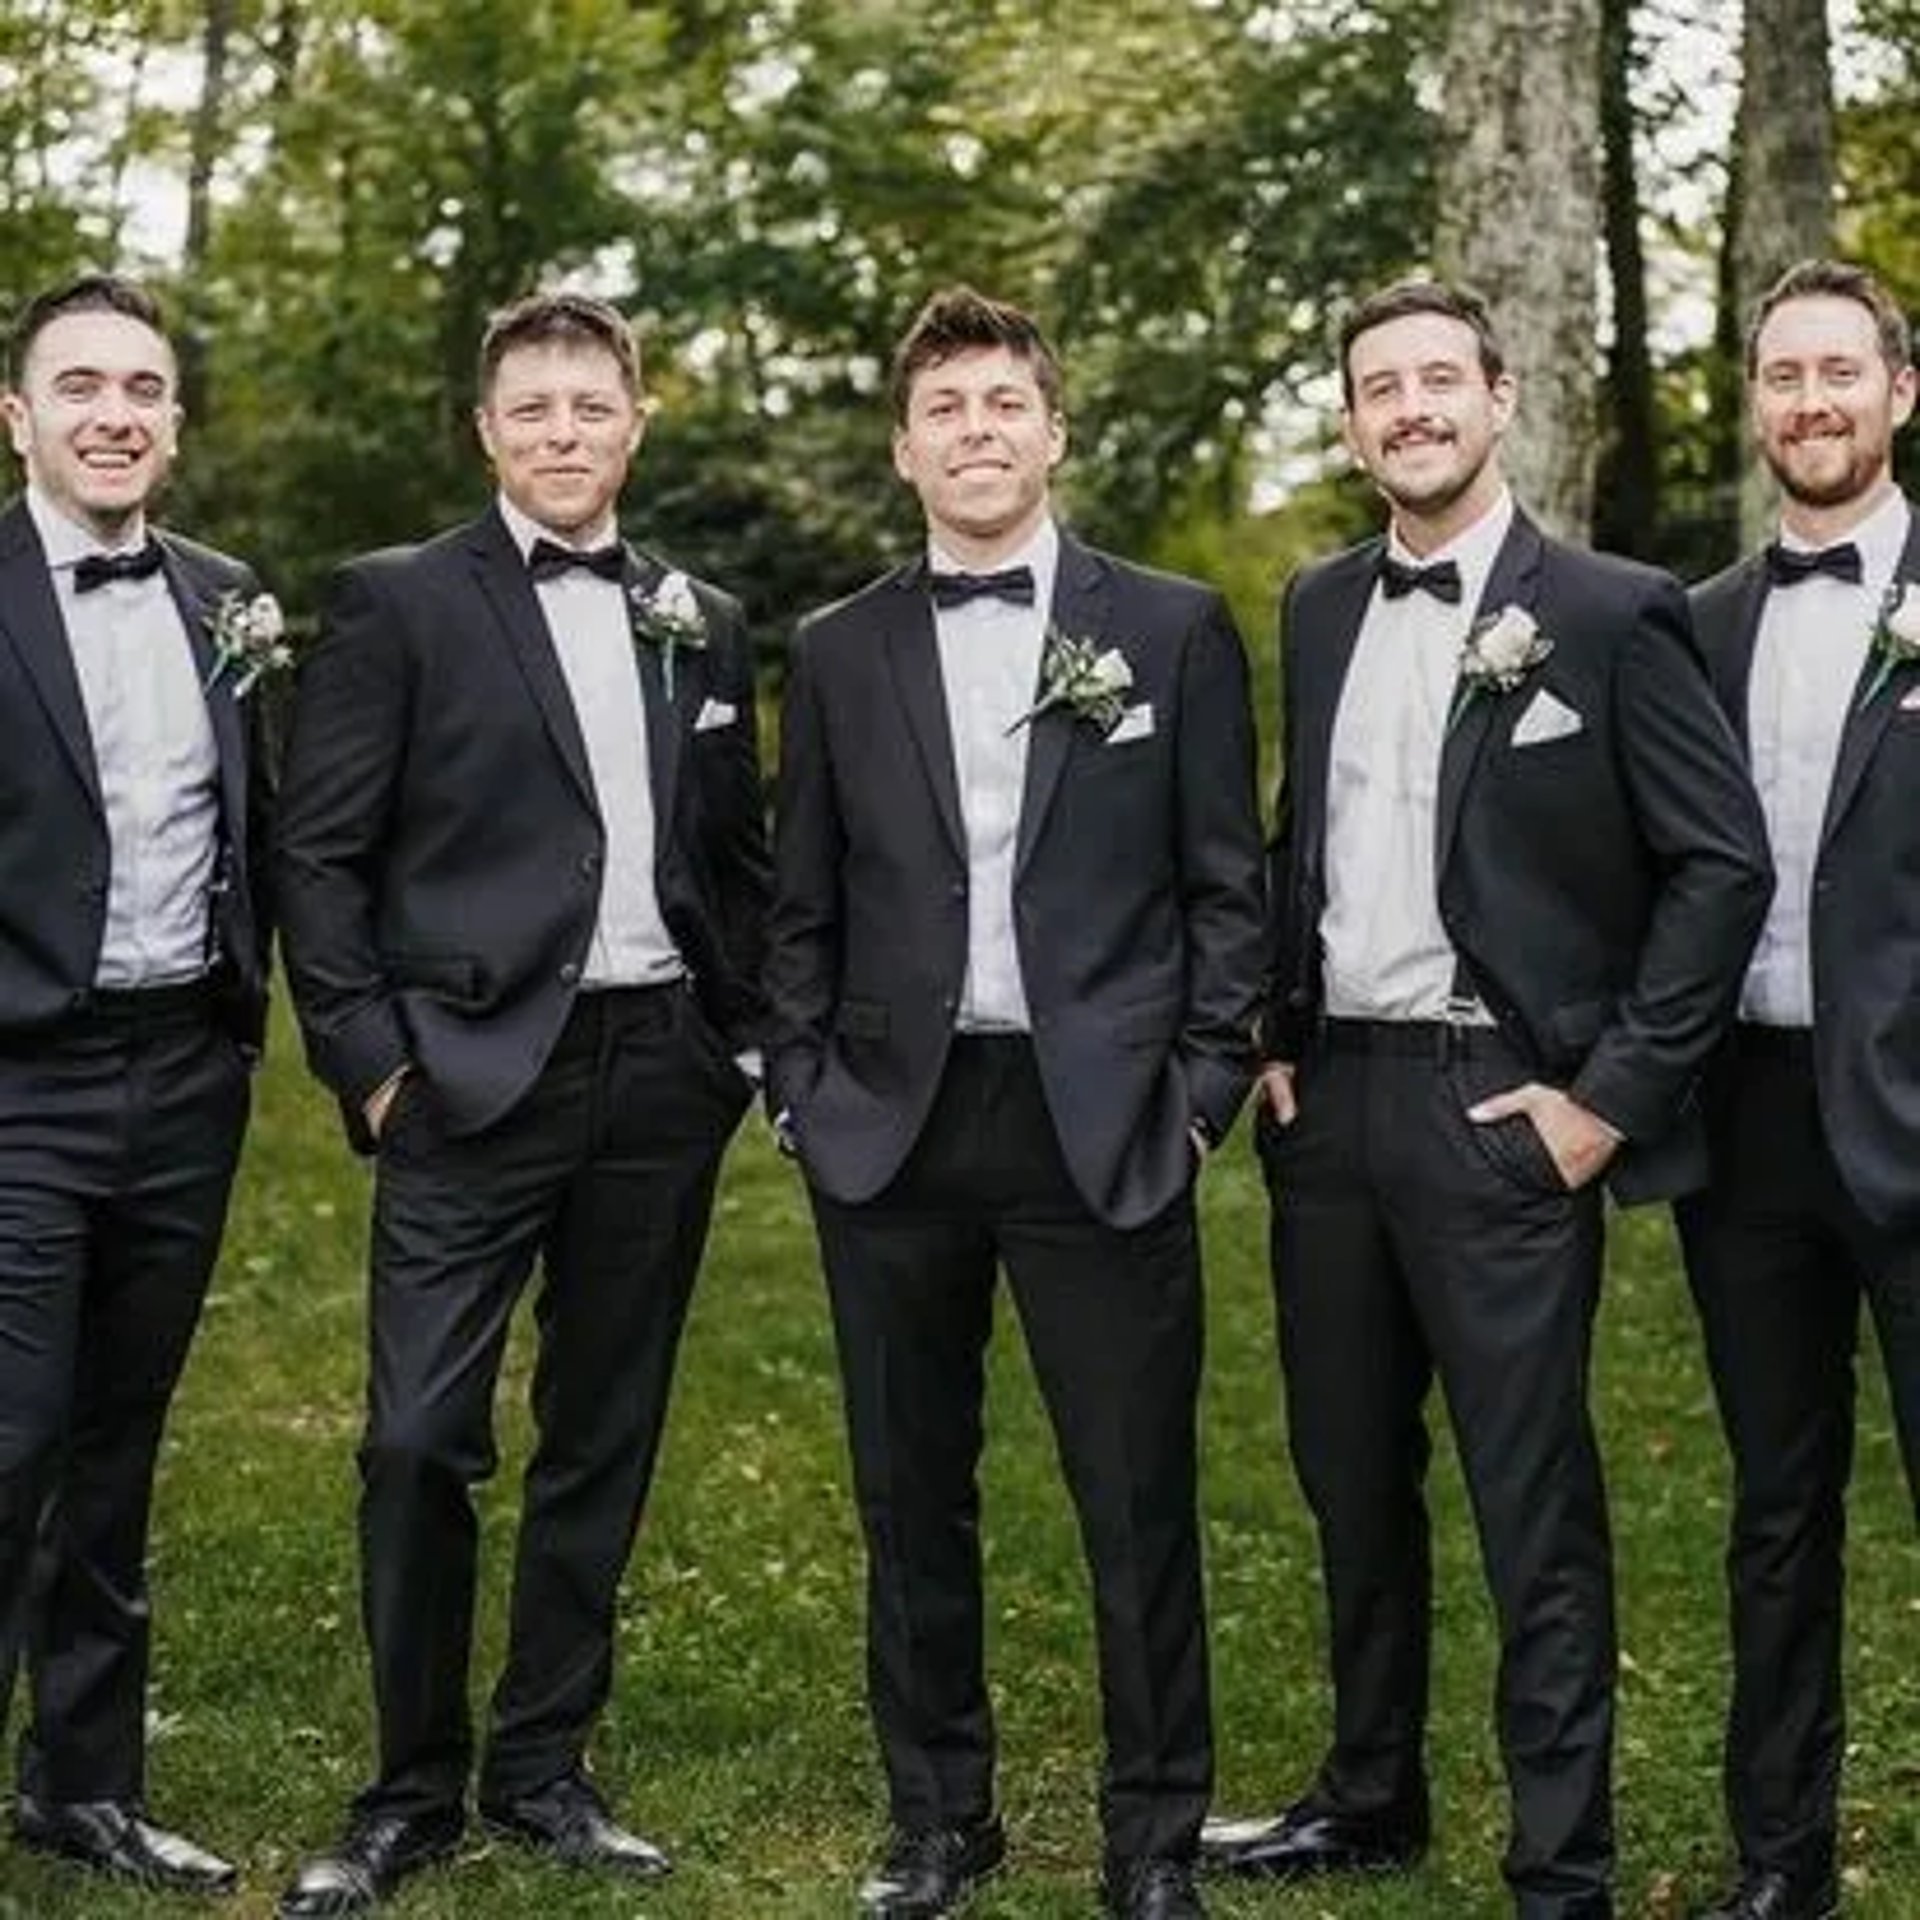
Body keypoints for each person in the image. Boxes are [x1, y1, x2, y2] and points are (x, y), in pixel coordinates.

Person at [1202, 280, 1772, 1919]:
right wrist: (1272, 1029)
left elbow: (1718, 864)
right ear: (1354, 420)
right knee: (1348, 1475)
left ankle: (1560, 1861)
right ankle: (1368, 1793)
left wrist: (1605, 1100)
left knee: (1533, 1502)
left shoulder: (1604, 609)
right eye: (1380, 387)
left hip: (1497, 1103)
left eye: (1439, 379)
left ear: (1500, 396)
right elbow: (1297, 837)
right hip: (1334, 1116)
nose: (1411, 409)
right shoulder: (1317, 602)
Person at [765, 285, 1266, 1920]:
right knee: (913, 1495)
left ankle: (1153, 1840)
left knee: (1135, 1495)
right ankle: (941, 1823)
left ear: (1053, 431)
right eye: (946, 411)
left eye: (1004, 405)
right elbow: (803, 899)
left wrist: (1196, 1096)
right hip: (895, 1124)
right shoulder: (839, 651)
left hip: (1103, 1119)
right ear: (905, 452)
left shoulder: (1172, 630)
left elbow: (1223, 890)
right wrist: (802, 1092)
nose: (978, 432)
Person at [273, 289, 769, 1916]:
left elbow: (736, 860)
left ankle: (543, 1762)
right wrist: (374, 1064)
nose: (564, 434)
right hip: (468, 1079)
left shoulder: (706, 617)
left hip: (658, 1077)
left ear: (637, 422)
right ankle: (408, 1785)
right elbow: (321, 855)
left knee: (601, 1436)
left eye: (591, 406)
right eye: (532, 410)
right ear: (487, 432)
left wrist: (744, 1042)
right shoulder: (401, 603)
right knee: (418, 1439)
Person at [0, 272, 275, 1893]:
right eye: (83, 386)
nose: (117, 414)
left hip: (185, 1072)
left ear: (175, 422)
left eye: (146, 390)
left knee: (116, 1442)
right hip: (18, 1077)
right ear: (19, 417)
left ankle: (79, 1788)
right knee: (10, 1435)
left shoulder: (227, 600)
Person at [1676, 257, 1920, 1920]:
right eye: (1783, 376)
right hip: (1746, 1126)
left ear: (1902, 392)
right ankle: (1781, 1861)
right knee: (1778, 1507)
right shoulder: (1699, 625)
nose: (1810, 403)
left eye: (1842, 371)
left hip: (1915, 1112)